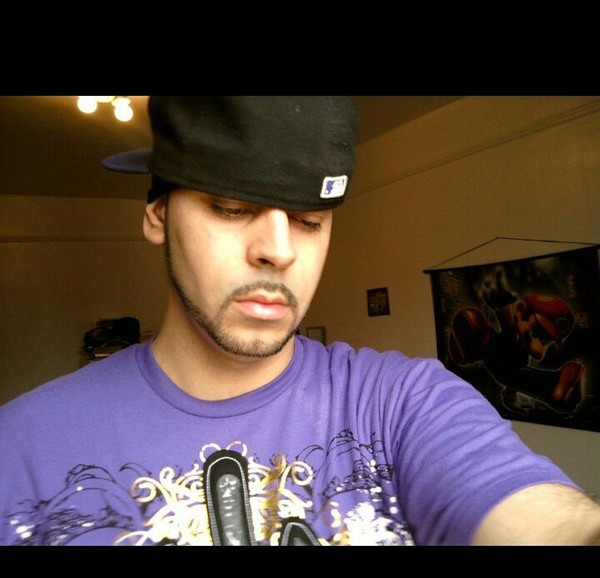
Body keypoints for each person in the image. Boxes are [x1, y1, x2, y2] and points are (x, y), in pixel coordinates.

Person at [1, 96, 599, 547]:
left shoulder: (404, 403)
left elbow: (537, 517)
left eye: (310, 220)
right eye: (232, 208)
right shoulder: (21, 448)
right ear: (158, 214)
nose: (280, 250)